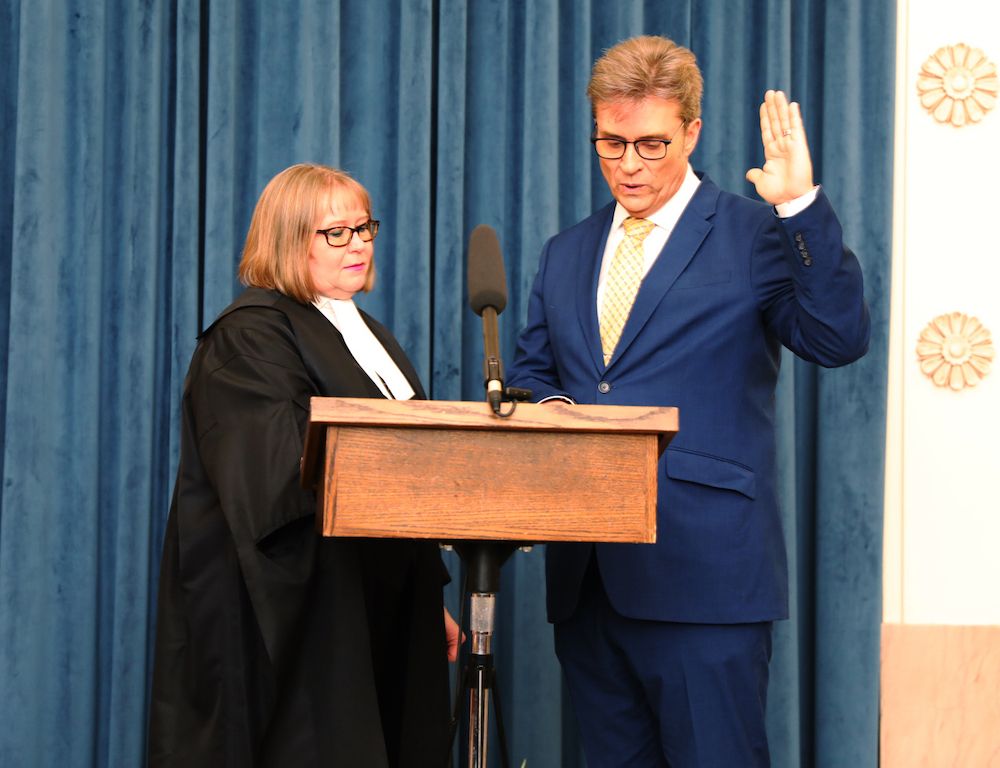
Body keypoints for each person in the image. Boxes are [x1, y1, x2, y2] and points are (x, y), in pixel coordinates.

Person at [508, 36, 870, 766]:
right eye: (611, 144)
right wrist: (547, 410)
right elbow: (533, 374)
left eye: (652, 144)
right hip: (587, 582)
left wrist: (799, 206)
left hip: (706, 577)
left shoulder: (755, 233)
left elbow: (838, 338)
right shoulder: (565, 250)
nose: (629, 165)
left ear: (692, 132)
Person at [149, 163, 459, 767]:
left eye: (364, 228)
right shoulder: (250, 336)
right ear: (289, 241)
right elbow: (275, 489)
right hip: (294, 616)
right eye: (335, 233)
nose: (358, 245)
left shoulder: (367, 334)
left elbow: (406, 474)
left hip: (376, 602)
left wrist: (424, 596)